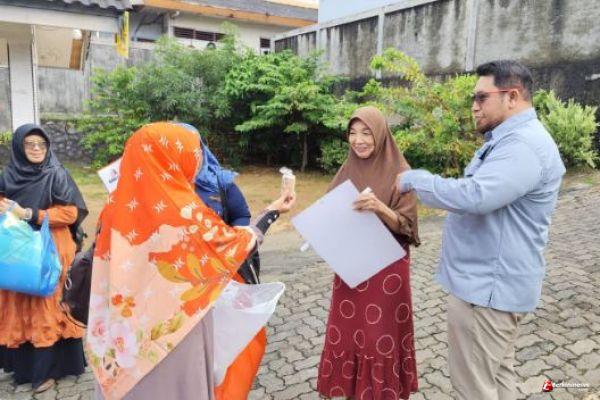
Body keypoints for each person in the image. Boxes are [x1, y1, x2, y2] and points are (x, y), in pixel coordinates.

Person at [88, 122, 295, 400]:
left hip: (123, 332)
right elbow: (230, 244)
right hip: (175, 332)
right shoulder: (181, 209)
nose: (198, 160)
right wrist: (272, 212)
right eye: (193, 152)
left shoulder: (113, 207)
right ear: (176, 157)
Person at [397, 60, 566, 400]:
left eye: (481, 97)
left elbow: (475, 195)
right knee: (499, 379)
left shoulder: (523, 145)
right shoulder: (509, 140)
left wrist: (415, 180)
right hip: (493, 289)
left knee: (474, 388)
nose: (473, 106)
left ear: (512, 96)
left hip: (486, 294)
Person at [317, 106, 420, 400]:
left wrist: (379, 208)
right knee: (351, 335)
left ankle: (381, 392)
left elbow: (408, 226)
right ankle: (354, 392)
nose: (358, 140)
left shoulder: (402, 173)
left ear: (381, 135)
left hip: (386, 271)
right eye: (353, 133)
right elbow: (329, 211)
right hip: (351, 266)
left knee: (378, 338)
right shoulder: (347, 169)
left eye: (366, 133)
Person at [0, 124, 89, 393]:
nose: (36, 149)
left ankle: (47, 371)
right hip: (17, 250)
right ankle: (23, 368)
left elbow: (70, 213)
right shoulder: (8, 175)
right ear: (19, 148)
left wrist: (30, 214)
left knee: (45, 307)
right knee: (18, 302)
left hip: (50, 249)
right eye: (30, 144)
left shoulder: (57, 174)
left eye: (41, 144)